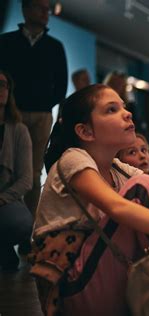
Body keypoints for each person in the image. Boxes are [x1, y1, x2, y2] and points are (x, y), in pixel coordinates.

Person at [33, 84, 149, 315]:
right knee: (144, 186)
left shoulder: (117, 169)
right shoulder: (73, 159)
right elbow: (118, 208)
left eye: (124, 106)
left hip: (104, 278)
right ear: (85, 132)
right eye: (111, 109)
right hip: (74, 289)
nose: (128, 113)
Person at [0, 0, 68, 224]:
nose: (45, 12)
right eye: (40, 7)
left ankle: (29, 232)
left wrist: (46, 105)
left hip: (40, 115)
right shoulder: (6, 42)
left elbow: (60, 84)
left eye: (47, 9)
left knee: (34, 171)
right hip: (10, 113)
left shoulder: (54, 47)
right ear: (26, 9)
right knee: (6, 167)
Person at [0, 70, 33, 270]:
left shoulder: (19, 130)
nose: (0, 89)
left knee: (22, 223)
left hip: (6, 200)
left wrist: (2, 198)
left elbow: (26, 179)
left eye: (3, 85)